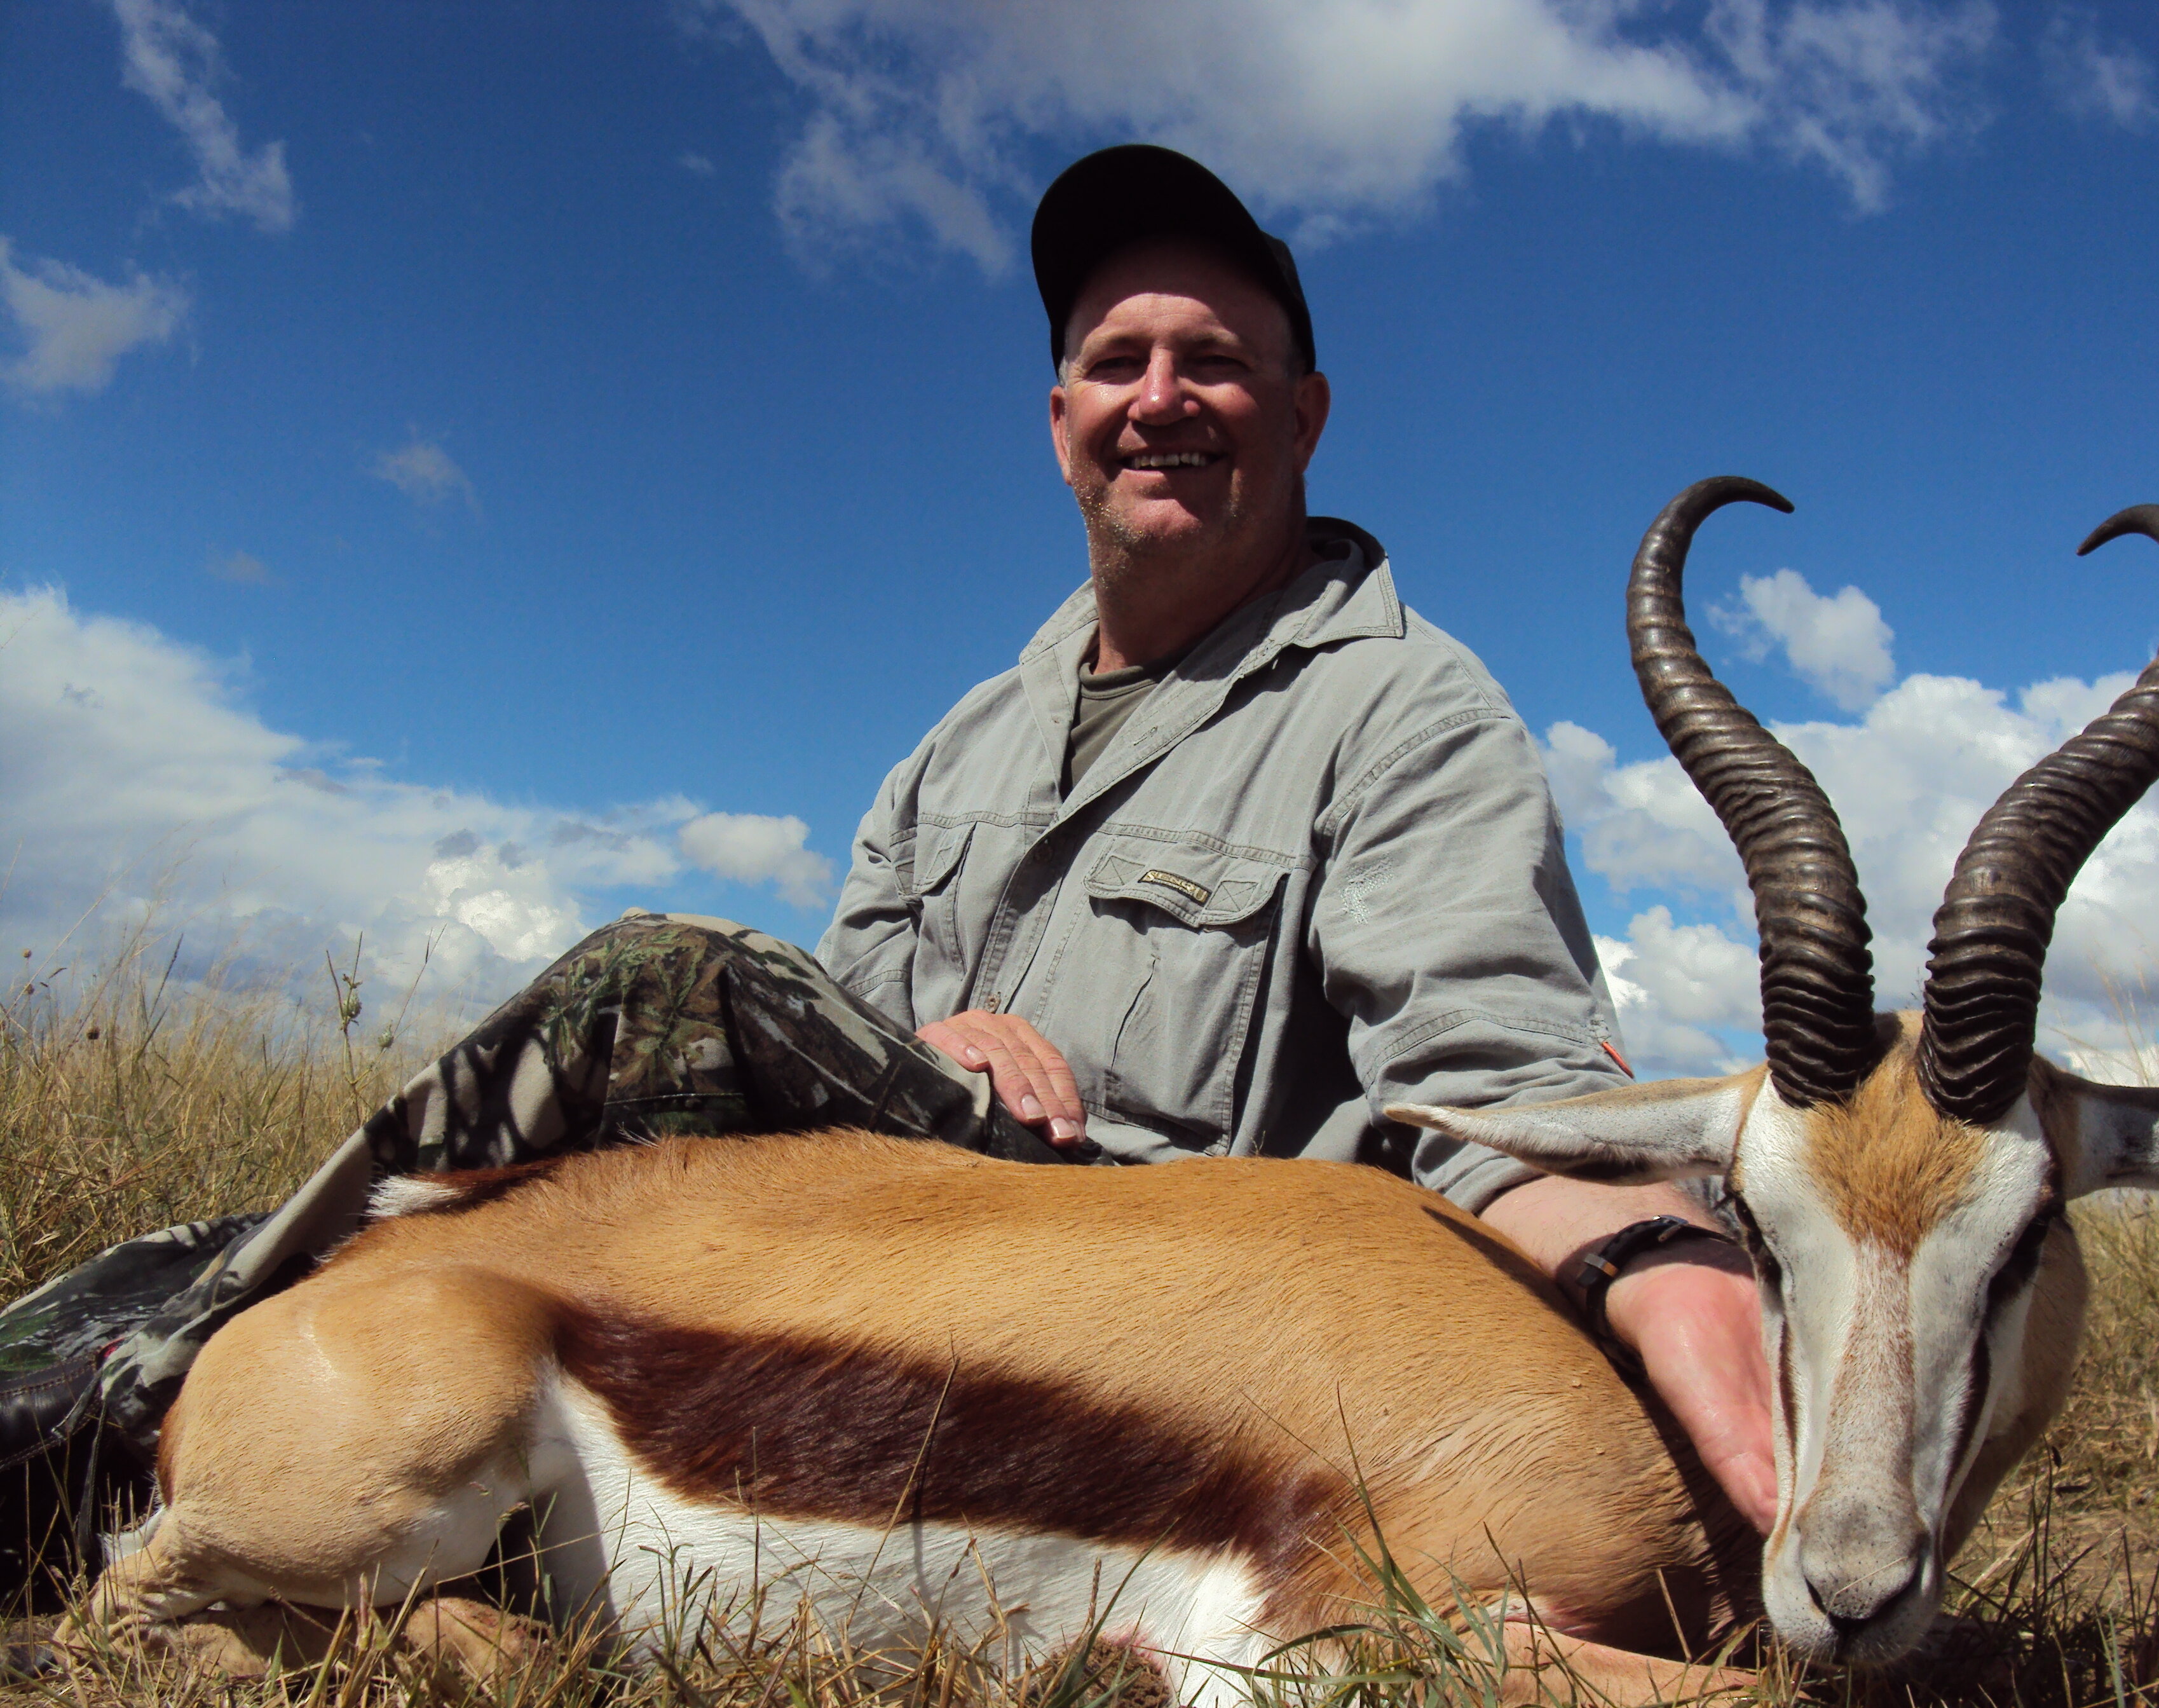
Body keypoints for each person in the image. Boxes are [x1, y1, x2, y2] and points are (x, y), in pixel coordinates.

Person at [0, 145, 1772, 1603]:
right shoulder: (967, 742)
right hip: (885, 1230)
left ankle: (103, 1448)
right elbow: (827, 1034)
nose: (1163, 398)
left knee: (668, 985)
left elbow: (1490, 1083)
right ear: (1060, 416)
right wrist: (934, 1032)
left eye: (1214, 361)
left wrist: (1657, 1262)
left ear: (1303, 414)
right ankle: (137, 1389)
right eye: (1118, 361)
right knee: (305, 1242)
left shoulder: (1407, 708)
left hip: (1147, 1281)